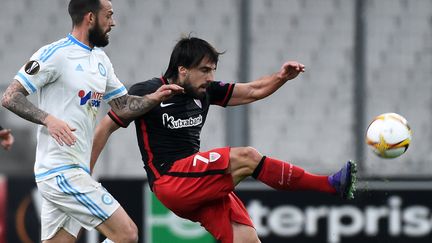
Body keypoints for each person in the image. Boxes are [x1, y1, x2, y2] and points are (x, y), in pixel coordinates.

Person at [91, 37, 357, 243]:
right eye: (204, 70)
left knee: (246, 239)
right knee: (247, 157)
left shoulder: (205, 91)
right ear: (182, 70)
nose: (211, 77)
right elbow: (106, 126)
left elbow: (252, 90)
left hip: (197, 182)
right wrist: (84, 172)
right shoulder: (149, 91)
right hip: (169, 180)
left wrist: (281, 78)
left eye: (213, 70)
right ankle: (329, 185)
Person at [1, 0, 182, 242]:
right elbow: (10, 96)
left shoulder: (101, 60)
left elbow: (123, 106)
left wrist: (153, 98)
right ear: (90, 17)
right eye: (108, 15)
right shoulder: (54, 54)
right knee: (127, 234)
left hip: (76, 170)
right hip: (59, 172)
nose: (113, 22)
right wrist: (48, 120)